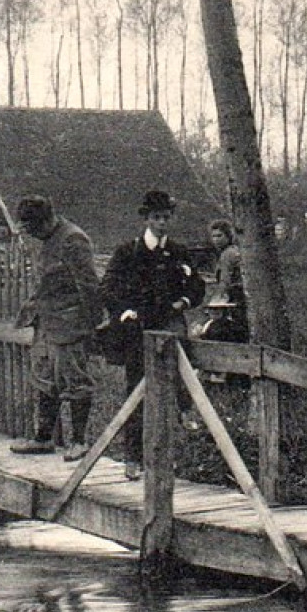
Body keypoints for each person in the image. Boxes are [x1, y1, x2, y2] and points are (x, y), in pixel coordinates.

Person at [101, 189, 206, 478]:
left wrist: (183, 301)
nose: (162, 223)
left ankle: (181, 417)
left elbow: (197, 287)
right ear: (146, 219)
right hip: (139, 328)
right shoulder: (129, 252)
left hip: (170, 324)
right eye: (157, 218)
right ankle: (133, 458)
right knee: (137, 391)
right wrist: (124, 310)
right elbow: (108, 287)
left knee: (175, 375)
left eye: (166, 218)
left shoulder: (179, 252)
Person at [10, 195, 103, 460]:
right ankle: (43, 438)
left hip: (70, 324)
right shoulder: (47, 240)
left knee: (74, 381)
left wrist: (91, 326)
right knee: (44, 379)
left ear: (46, 221)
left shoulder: (74, 239)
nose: (32, 235)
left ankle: (79, 441)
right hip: (47, 322)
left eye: (33, 229)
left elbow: (88, 286)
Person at [198, 219, 249, 345]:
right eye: (213, 236)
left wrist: (216, 302)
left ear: (228, 236)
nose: (216, 240)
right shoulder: (232, 252)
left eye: (220, 236)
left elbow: (224, 281)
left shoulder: (228, 254)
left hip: (235, 298)